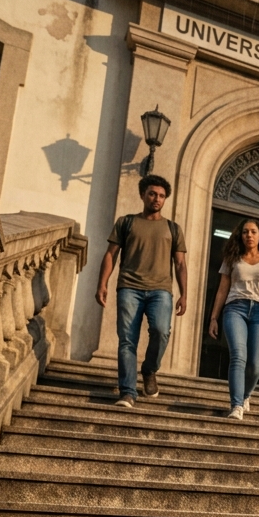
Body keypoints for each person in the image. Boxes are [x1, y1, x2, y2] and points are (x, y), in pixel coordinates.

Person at [96, 174, 188, 407]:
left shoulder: (173, 228)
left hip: (161, 290)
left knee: (161, 331)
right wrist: (102, 283)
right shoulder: (126, 222)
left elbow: (180, 264)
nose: (157, 199)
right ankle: (128, 392)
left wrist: (184, 294)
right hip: (129, 287)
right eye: (152, 194)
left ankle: (149, 369)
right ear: (142, 195)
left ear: (165, 199)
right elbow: (111, 255)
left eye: (161, 196)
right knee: (127, 340)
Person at [206, 218, 259, 420]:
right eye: (245, 232)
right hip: (235, 309)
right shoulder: (232, 259)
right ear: (240, 236)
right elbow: (222, 290)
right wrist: (214, 318)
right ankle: (236, 405)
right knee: (238, 356)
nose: (249, 235)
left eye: (253, 232)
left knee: (255, 364)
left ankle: (245, 396)